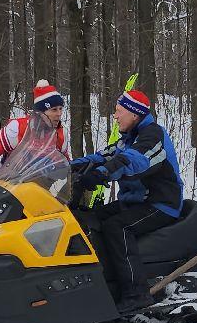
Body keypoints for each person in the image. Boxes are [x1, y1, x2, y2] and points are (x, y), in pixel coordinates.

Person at [70, 89, 182, 307]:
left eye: (119, 111)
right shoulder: (128, 139)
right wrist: (66, 167)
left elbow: (134, 160)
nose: (115, 116)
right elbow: (103, 156)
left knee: (117, 227)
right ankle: (102, 281)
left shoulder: (152, 136)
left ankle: (136, 293)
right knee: (89, 218)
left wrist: (102, 174)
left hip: (161, 204)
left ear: (134, 114)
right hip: (135, 202)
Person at [0, 80, 66, 188]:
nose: (59, 114)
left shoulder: (60, 134)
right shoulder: (17, 128)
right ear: (41, 112)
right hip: (8, 189)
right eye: (54, 110)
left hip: (41, 194)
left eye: (60, 109)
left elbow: (64, 161)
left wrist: (62, 170)